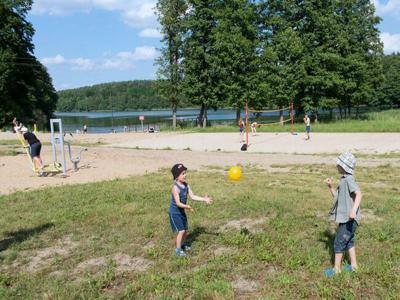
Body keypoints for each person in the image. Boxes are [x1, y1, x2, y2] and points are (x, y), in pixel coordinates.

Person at [324, 152, 362, 277]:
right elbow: (338, 198)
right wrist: (330, 187)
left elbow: (359, 194)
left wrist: (353, 210)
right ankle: (354, 266)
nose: (336, 165)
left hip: (349, 219)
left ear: (344, 166)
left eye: (338, 163)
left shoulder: (349, 179)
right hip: (346, 219)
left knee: (338, 243)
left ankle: (336, 269)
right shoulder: (344, 180)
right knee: (349, 242)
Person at [169, 163, 212, 257]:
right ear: (176, 176)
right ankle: (178, 249)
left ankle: (182, 245)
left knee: (185, 230)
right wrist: (187, 206)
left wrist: (203, 199)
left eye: (185, 173)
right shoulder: (175, 188)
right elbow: (178, 203)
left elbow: (192, 196)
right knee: (181, 231)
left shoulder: (186, 185)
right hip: (175, 213)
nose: (185, 175)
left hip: (181, 211)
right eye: (183, 173)